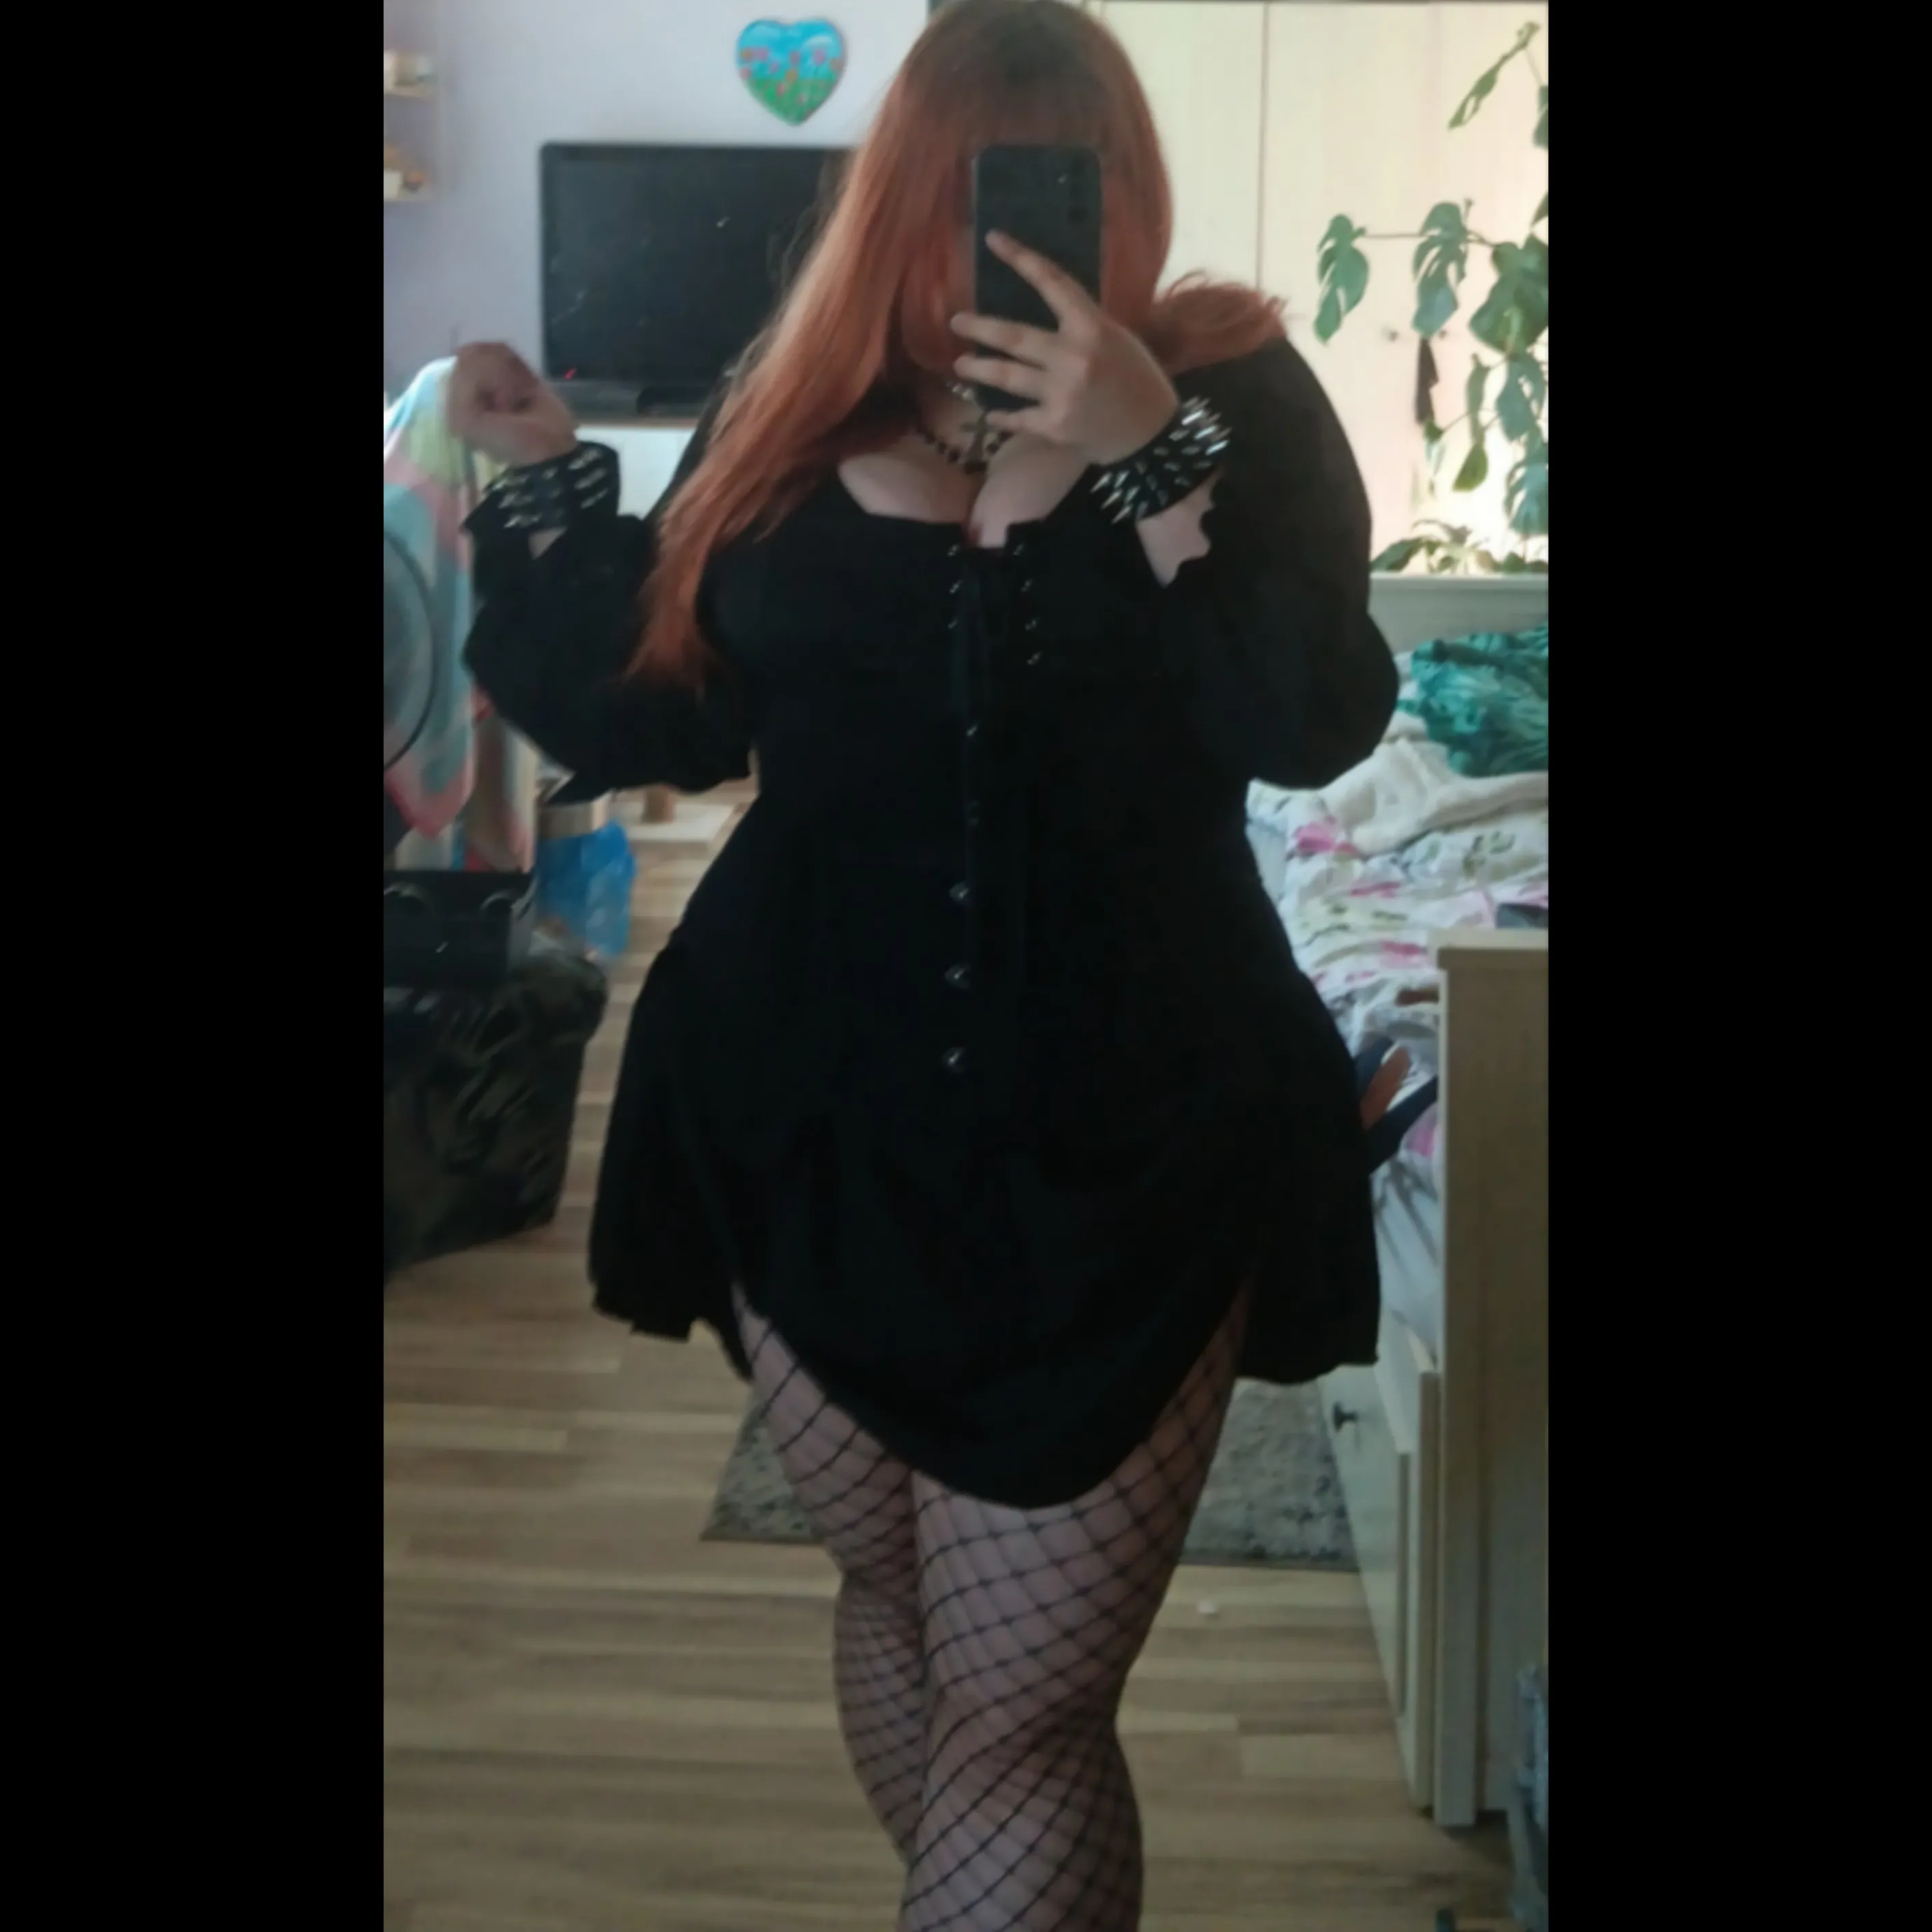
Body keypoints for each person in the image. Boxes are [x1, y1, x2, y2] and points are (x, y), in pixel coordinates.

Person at [447, 3, 1397, 1922]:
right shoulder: (796, 402)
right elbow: (654, 718)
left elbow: (1310, 717)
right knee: (895, 1598)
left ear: (1129, 188)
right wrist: (548, 482)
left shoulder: (1229, 388)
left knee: (1026, 1711)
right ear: (899, 192)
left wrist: (1145, 448)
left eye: (1065, 179)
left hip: (1129, 1146)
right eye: (970, 182)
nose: (1014, 224)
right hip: (805, 1111)